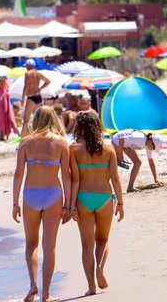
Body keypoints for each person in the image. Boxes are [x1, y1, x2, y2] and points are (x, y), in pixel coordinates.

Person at [12, 106, 71, 302]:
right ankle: (46, 294)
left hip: (30, 195)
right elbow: (67, 176)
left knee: (31, 244)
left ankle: (33, 286)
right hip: (53, 194)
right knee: (50, 247)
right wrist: (68, 205)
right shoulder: (62, 142)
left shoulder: (26, 142)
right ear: (54, 119)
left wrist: (15, 203)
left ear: (35, 120)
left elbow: (18, 174)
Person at [70, 111, 125, 296]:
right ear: (96, 126)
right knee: (103, 239)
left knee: (86, 246)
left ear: (79, 128)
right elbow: (116, 179)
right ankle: (100, 267)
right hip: (104, 198)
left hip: (83, 198)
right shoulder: (108, 149)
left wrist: (70, 206)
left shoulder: (74, 150)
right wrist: (121, 204)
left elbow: (74, 180)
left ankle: (91, 287)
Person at [21, 60, 52, 137]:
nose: (26, 68)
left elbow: (26, 86)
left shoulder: (28, 74)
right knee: (38, 119)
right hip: (38, 96)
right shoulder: (38, 73)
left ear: (29, 65)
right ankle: (38, 136)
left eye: (26, 66)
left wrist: (23, 98)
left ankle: (23, 138)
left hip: (31, 97)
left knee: (26, 120)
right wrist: (40, 88)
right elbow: (48, 81)